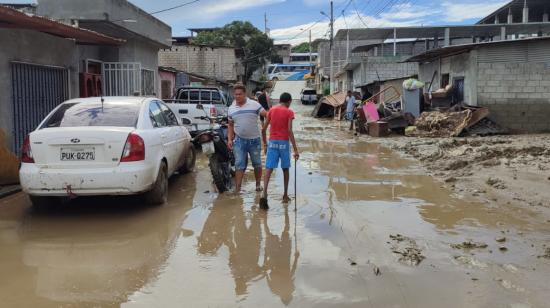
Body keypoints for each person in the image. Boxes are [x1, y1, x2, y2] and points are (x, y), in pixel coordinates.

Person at [260, 92, 299, 209]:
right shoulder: (289, 112)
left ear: (280, 100)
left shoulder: (271, 110)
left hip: (272, 143)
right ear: (289, 101)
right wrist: (296, 150)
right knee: (285, 169)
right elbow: (289, 131)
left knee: (268, 168)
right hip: (283, 144)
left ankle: (264, 193)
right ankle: (285, 195)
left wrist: (265, 145)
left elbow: (263, 130)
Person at [228, 83, 267, 193]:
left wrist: (266, 129)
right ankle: (238, 189)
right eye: (235, 94)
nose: (237, 96)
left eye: (240, 94)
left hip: (254, 140)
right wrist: (230, 139)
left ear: (245, 94)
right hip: (239, 141)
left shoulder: (254, 104)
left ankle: (258, 185)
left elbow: (267, 115)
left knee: (257, 163)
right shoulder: (231, 108)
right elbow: (230, 125)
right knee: (239, 164)